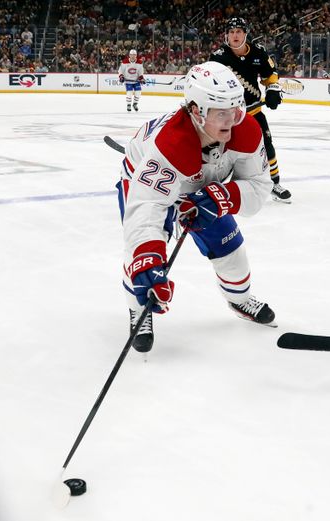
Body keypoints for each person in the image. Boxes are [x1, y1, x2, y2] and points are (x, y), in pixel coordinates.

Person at [116, 61, 276, 353]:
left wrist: (224, 195)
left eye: (236, 109)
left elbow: (259, 186)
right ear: (195, 111)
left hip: (200, 186)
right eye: (221, 112)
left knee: (231, 247)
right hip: (147, 182)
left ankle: (239, 299)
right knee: (142, 256)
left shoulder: (247, 130)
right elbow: (147, 206)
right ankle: (140, 309)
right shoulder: (172, 143)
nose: (232, 119)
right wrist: (148, 258)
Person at [210, 17, 292, 203]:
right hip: (227, 115)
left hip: (253, 113)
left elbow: (270, 75)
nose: (235, 35)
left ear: (245, 34)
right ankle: (211, 186)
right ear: (226, 36)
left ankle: (274, 184)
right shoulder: (218, 57)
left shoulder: (258, 53)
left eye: (239, 31)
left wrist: (272, 90)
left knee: (267, 145)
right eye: (231, 32)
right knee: (217, 150)